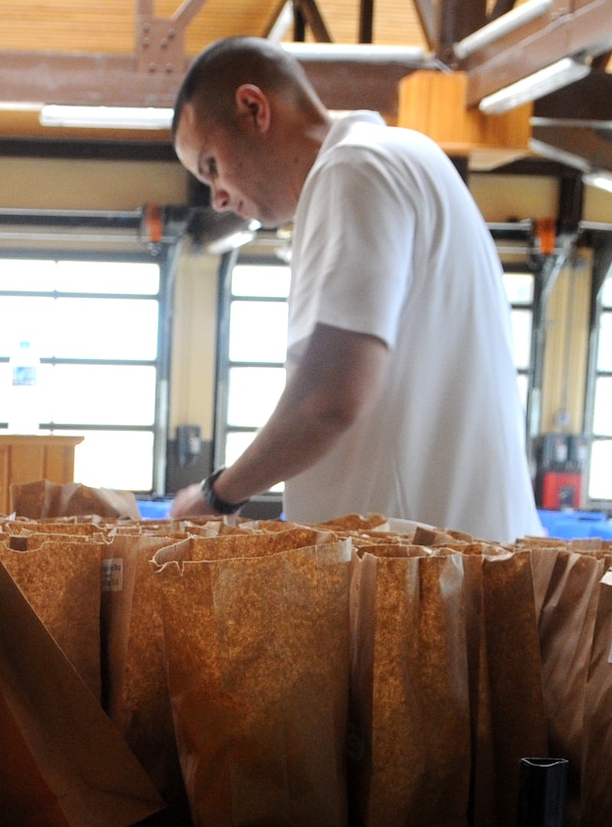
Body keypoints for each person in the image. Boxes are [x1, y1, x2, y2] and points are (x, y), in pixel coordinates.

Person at [167, 37, 543, 542]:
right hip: (453, 558)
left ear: (253, 108)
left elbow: (331, 397)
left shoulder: (354, 169)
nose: (217, 199)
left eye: (211, 165)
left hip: (421, 575)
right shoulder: (403, 156)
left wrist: (217, 495)